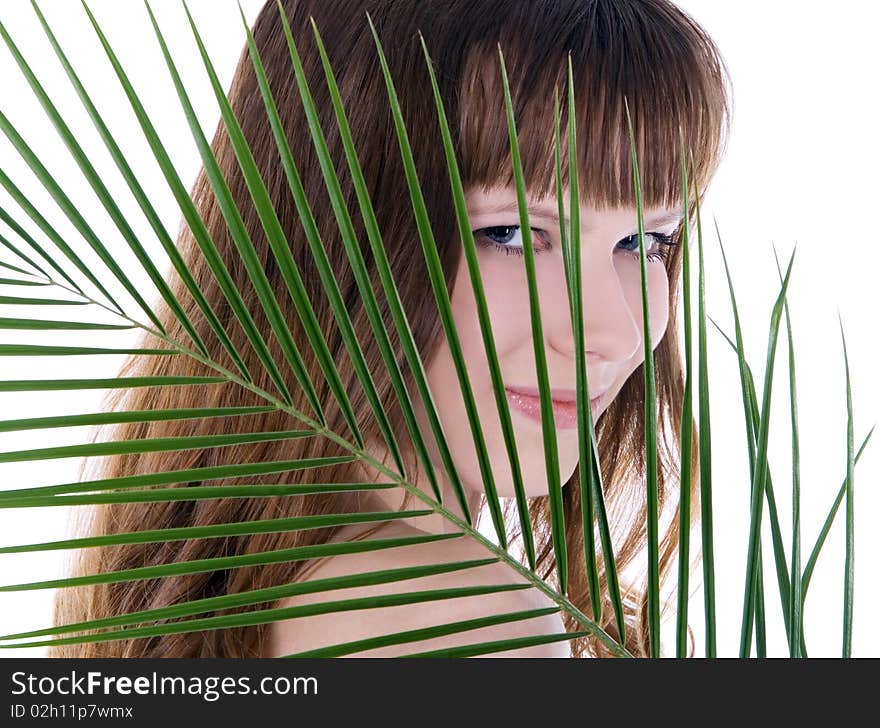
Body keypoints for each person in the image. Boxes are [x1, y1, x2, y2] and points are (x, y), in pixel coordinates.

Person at [50, 0, 731, 658]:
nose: (611, 332)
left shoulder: (211, 579)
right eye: (514, 233)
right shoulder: (466, 624)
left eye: (647, 241)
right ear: (335, 228)